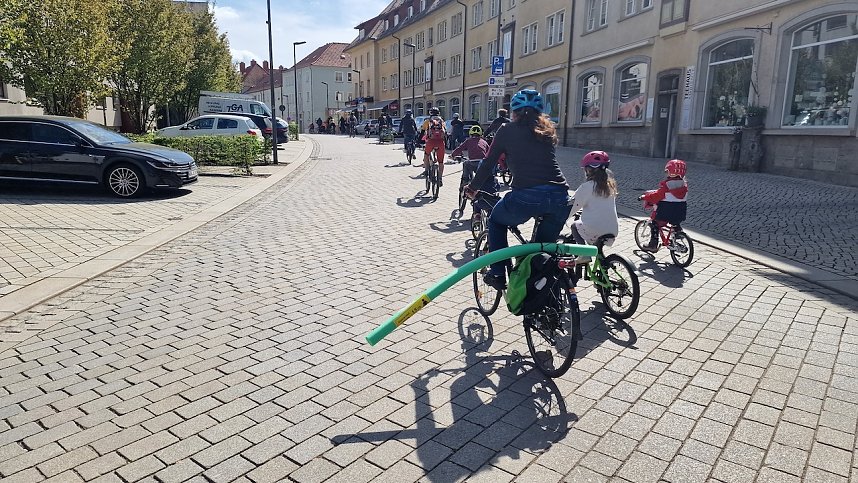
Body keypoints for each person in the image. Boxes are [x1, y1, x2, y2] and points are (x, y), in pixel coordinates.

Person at [465, 89, 571, 290]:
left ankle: (497, 273)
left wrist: (472, 187)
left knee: (496, 221)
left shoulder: (506, 130)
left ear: (514, 112)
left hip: (526, 196)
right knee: (542, 252)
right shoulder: (548, 130)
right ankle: (541, 295)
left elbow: (488, 163)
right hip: (560, 196)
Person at [567, 151, 620, 263]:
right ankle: (601, 264)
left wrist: (562, 218)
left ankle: (584, 255)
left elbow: (572, 207)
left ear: (588, 170)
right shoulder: (610, 186)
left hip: (595, 229)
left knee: (574, 226)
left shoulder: (586, 187)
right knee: (595, 241)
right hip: (613, 229)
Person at [639, 159, 688, 250]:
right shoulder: (684, 186)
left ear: (670, 172)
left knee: (655, 223)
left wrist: (644, 197)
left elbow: (656, 196)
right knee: (675, 221)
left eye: (667, 171)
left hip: (665, 213)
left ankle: (653, 245)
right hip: (680, 213)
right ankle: (677, 232)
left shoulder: (666, 186)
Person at [453, 125, 496, 218]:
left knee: (466, 163)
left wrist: (453, 155)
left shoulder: (468, 140)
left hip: (472, 163)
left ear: (470, 134)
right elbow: (489, 152)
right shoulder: (484, 142)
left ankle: (465, 179)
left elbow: (460, 148)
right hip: (483, 164)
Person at [420, 107, 446, 184]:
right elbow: (445, 132)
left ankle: (426, 171)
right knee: (440, 162)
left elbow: (422, 132)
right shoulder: (441, 121)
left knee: (426, 154)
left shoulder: (427, 121)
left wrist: (418, 142)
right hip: (440, 142)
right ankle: (440, 178)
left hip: (431, 142)